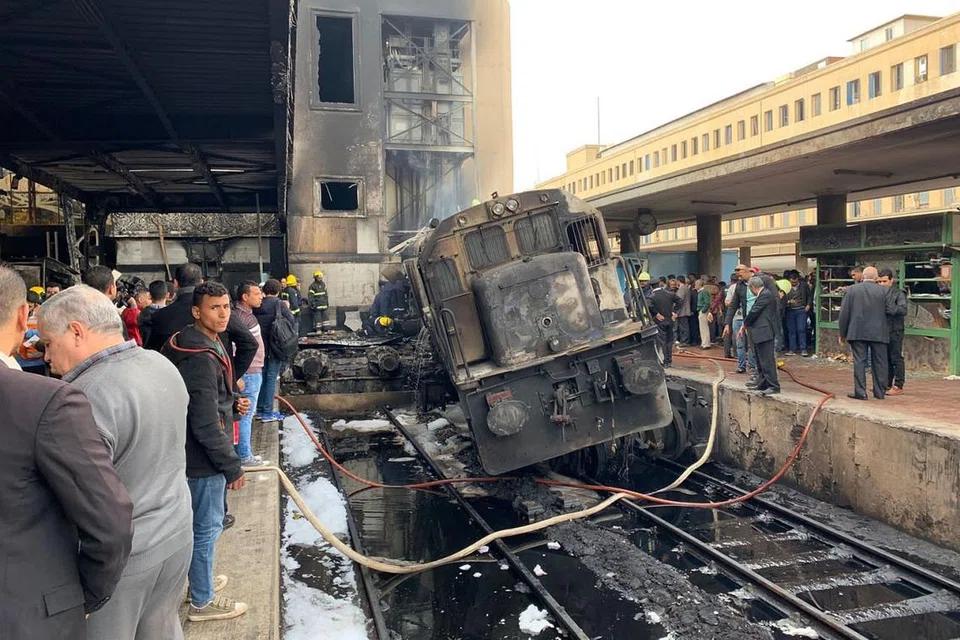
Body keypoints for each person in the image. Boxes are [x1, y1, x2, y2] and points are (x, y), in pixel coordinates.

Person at [38, 285, 194, 639]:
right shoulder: (158, 363)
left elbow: (86, 503)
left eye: (48, 342)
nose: (46, 356)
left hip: (123, 561)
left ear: (76, 331)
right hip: (177, 533)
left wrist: (89, 588)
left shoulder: (82, 398)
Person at [0, 265, 134, 638]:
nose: (44, 357)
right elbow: (109, 523)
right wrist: (85, 596)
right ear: (23, 314)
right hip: (27, 616)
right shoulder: (45, 402)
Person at [162, 282, 249, 622]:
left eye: (226, 306)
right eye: (215, 308)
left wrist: (233, 406)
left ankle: (200, 582)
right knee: (206, 527)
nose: (224, 313)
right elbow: (203, 422)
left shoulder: (198, 340)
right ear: (197, 311)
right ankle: (202, 601)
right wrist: (233, 466)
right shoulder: (198, 356)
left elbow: (209, 402)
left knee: (199, 526)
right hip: (202, 459)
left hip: (190, 450)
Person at [838, 266, 890, 401]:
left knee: (859, 362)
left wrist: (842, 333)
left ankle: (860, 392)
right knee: (880, 362)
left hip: (857, 331)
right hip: (879, 331)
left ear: (863, 276)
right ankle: (880, 392)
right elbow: (890, 312)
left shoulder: (851, 290)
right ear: (876, 277)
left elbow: (844, 313)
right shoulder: (884, 291)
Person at [233, 281, 269, 466]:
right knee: (246, 414)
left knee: (242, 414)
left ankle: (241, 453)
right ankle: (244, 456)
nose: (261, 296)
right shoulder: (243, 318)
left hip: (248, 371)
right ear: (245, 297)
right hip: (249, 372)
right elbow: (234, 348)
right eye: (256, 293)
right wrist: (238, 374)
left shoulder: (243, 316)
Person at [254, 278, 296, 420]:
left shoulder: (257, 305)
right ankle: (267, 412)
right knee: (271, 378)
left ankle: (259, 409)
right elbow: (291, 321)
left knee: (261, 378)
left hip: (259, 347)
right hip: (274, 348)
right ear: (278, 291)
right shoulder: (279, 305)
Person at [742, 276, 780, 395]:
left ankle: (773, 385)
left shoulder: (765, 295)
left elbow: (754, 311)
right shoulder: (764, 294)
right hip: (759, 331)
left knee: (767, 360)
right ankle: (763, 383)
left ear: (752, 287)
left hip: (765, 331)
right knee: (760, 359)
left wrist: (745, 323)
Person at [877, 268, 907, 396]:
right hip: (882, 329)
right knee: (886, 359)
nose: (882, 284)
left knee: (896, 358)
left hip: (895, 330)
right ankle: (887, 383)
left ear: (891, 281)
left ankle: (898, 384)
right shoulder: (878, 294)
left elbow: (903, 310)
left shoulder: (898, 294)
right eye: (879, 282)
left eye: (884, 281)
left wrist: (889, 305)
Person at [649, 278, 682, 367]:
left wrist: (656, 314)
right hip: (670, 320)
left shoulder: (652, 296)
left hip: (660, 321)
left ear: (651, 287)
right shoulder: (669, 294)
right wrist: (675, 312)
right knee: (669, 341)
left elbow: (649, 306)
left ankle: (664, 360)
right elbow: (679, 301)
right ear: (660, 284)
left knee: (662, 341)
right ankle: (669, 360)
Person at [15, 287, 47, 374]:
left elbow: (46, 333)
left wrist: (28, 333)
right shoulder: (15, 314)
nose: (27, 309)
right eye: (25, 306)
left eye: (30, 306)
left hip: (36, 360)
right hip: (18, 360)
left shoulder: (42, 315)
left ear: (35, 305)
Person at [784, 271, 811, 356]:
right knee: (791, 330)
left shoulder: (804, 285)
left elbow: (809, 295)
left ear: (798, 280)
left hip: (801, 310)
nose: (794, 284)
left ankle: (803, 349)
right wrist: (788, 302)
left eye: (795, 282)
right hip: (790, 310)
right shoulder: (786, 287)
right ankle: (792, 349)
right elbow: (781, 298)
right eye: (792, 282)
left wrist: (808, 305)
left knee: (801, 329)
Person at [138, 279, 170, 347]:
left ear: (150, 295)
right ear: (167, 295)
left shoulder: (143, 313)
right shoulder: (170, 313)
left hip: (147, 349)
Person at [695, 279, 712, 349]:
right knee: (702, 328)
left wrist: (703, 310)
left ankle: (706, 344)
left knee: (704, 328)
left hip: (703, 311)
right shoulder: (700, 292)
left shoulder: (704, 292)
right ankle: (704, 343)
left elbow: (707, 302)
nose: (695, 286)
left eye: (696, 284)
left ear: (699, 285)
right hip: (701, 311)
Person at [676, 276, 692, 345]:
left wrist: (676, 311)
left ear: (679, 281)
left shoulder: (682, 289)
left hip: (682, 311)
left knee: (683, 327)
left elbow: (679, 301)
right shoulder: (686, 288)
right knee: (684, 326)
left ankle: (684, 341)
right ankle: (685, 340)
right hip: (685, 310)